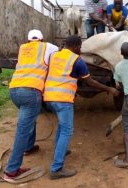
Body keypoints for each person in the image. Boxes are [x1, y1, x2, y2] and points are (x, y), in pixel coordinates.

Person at [43, 36, 119, 179]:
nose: (81, 49)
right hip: (62, 99)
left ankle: (61, 150)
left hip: (49, 98)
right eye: (80, 47)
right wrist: (110, 89)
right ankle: (56, 168)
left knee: (62, 125)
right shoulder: (77, 61)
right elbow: (91, 82)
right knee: (67, 130)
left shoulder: (54, 56)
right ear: (77, 46)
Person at [5, 29, 59, 179]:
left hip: (14, 91)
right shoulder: (48, 46)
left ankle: (29, 147)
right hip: (30, 92)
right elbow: (60, 54)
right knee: (23, 129)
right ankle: (12, 170)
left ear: (29, 40)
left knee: (28, 121)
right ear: (41, 39)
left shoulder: (22, 48)